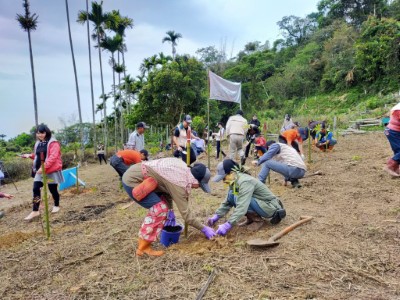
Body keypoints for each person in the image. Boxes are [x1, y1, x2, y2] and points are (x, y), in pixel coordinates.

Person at [122, 157, 216, 257]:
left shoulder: (183, 170)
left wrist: (170, 210)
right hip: (134, 181)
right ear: (196, 181)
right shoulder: (180, 182)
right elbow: (186, 215)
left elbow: (167, 189)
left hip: (140, 175)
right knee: (160, 209)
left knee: (165, 208)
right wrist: (204, 228)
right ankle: (143, 248)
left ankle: (144, 242)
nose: (198, 188)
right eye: (200, 186)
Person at [207, 159, 286, 235]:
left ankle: (258, 221)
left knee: (239, 198)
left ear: (232, 172)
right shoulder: (235, 181)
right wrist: (216, 216)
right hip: (261, 204)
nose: (223, 181)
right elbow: (228, 201)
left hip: (271, 207)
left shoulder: (245, 181)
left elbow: (242, 205)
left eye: (224, 177)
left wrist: (228, 224)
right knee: (232, 194)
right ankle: (250, 219)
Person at [21, 124, 64, 221]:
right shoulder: (38, 143)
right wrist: (29, 155)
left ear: (47, 132)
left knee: (52, 189)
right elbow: (38, 155)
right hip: (39, 171)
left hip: (50, 171)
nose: (40, 135)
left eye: (42, 133)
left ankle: (56, 205)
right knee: (36, 189)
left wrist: (43, 167)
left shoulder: (53, 143)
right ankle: (35, 210)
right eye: (38, 133)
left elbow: (53, 157)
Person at [384, 102, 400, 176]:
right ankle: (389, 167)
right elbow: (386, 118)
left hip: (393, 131)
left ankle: (395, 169)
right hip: (393, 132)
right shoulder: (398, 109)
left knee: (398, 151)